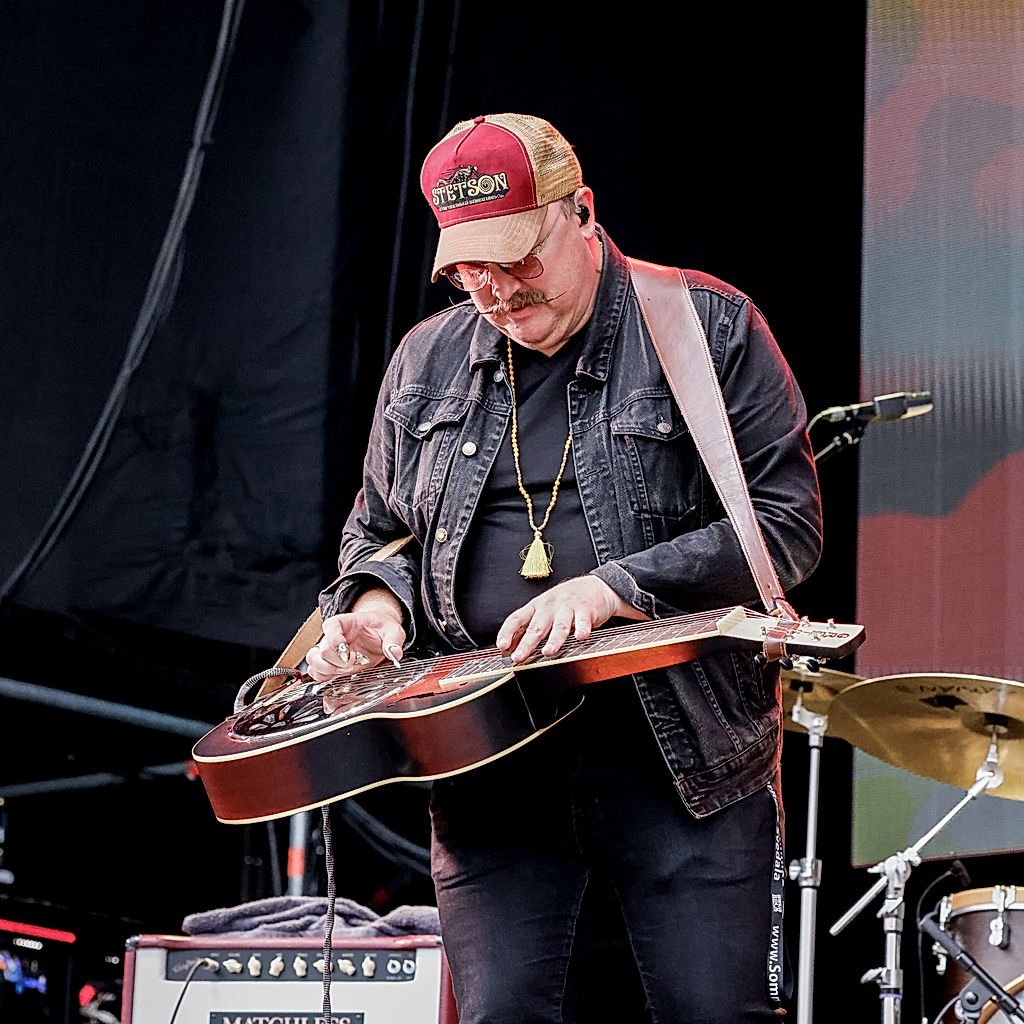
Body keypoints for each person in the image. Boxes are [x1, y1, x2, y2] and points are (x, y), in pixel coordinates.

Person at [305, 112, 823, 1023]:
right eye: (469, 268)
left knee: (715, 1016)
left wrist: (614, 589)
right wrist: (377, 609)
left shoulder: (706, 327)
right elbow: (379, 532)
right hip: (488, 766)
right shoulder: (425, 360)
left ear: (582, 213)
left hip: (682, 764)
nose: (497, 289)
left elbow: (785, 531)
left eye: (519, 257)